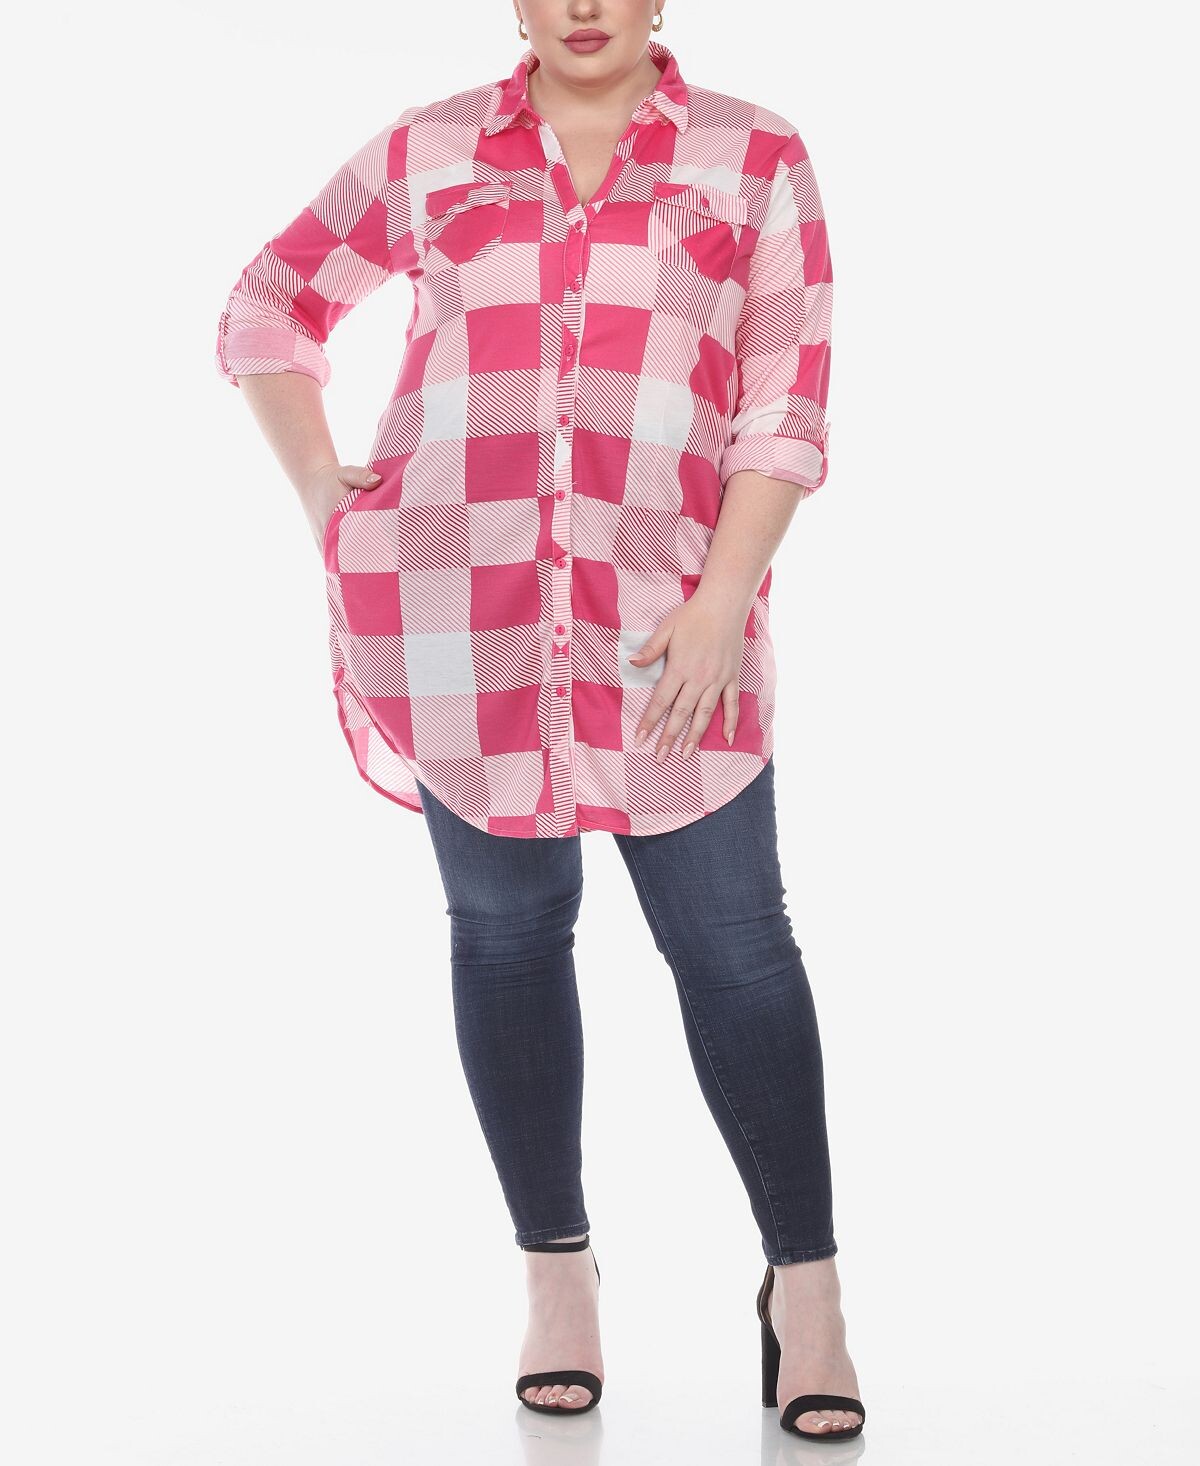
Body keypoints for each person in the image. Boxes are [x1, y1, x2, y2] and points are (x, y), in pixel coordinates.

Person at [214, 0, 863, 1442]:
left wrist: (724, 598)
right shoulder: (430, 151)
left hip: (670, 631)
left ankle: (807, 1291)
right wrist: (324, 492)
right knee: (506, 942)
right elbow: (268, 304)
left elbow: (786, 402)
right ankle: (556, 1275)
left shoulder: (755, 158)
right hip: (464, 619)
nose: (582, 6)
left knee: (738, 953)